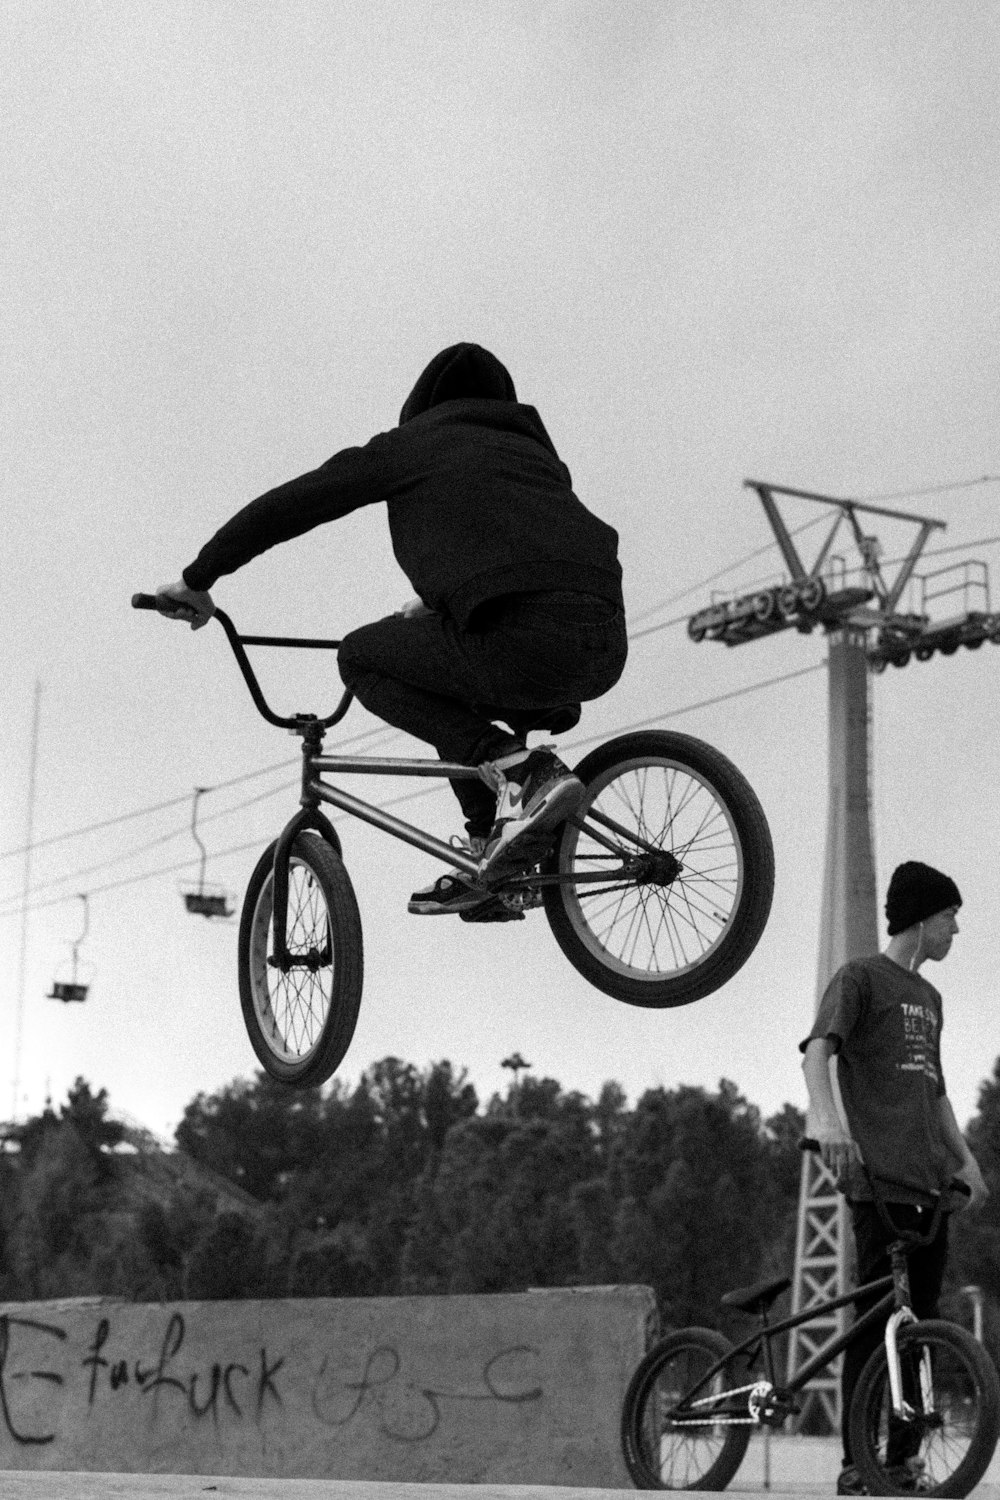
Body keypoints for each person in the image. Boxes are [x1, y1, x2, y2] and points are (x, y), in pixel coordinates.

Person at [155, 343, 627, 916]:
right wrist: (446, 603)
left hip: (522, 636)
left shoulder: (410, 447)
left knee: (363, 655)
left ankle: (523, 773)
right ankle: (492, 851)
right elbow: (523, 551)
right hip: (602, 646)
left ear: (421, 405)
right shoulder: (537, 461)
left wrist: (198, 577)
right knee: (448, 680)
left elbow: (292, 505)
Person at [800, 860, 987, 1496]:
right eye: (950, 917)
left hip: (929, 1187)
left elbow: (935, 1091)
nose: (956, 930)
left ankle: (900, 1461)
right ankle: (859, 1462)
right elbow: (818, 1052)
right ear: (921, 919)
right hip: (877, 1182)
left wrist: (963, 1159)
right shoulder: (859, 978)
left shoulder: (931, 999)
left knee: (920, 1323)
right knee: (878, 1320)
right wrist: (830, 1125)